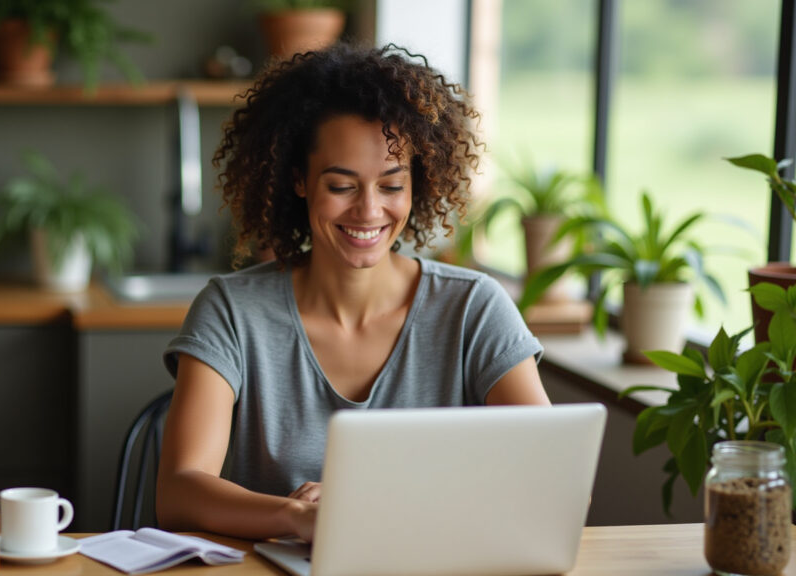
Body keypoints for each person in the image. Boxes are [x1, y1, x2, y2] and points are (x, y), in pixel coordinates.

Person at [155, 43, 550, 543]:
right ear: (299, 181)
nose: (368, 211)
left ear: (417, 185)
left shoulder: (474, 308)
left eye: (390, 186)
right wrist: (296, 518)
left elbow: (552, 478)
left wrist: (374, 508)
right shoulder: (233, 312)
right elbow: (179, 492)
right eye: (342, 186)